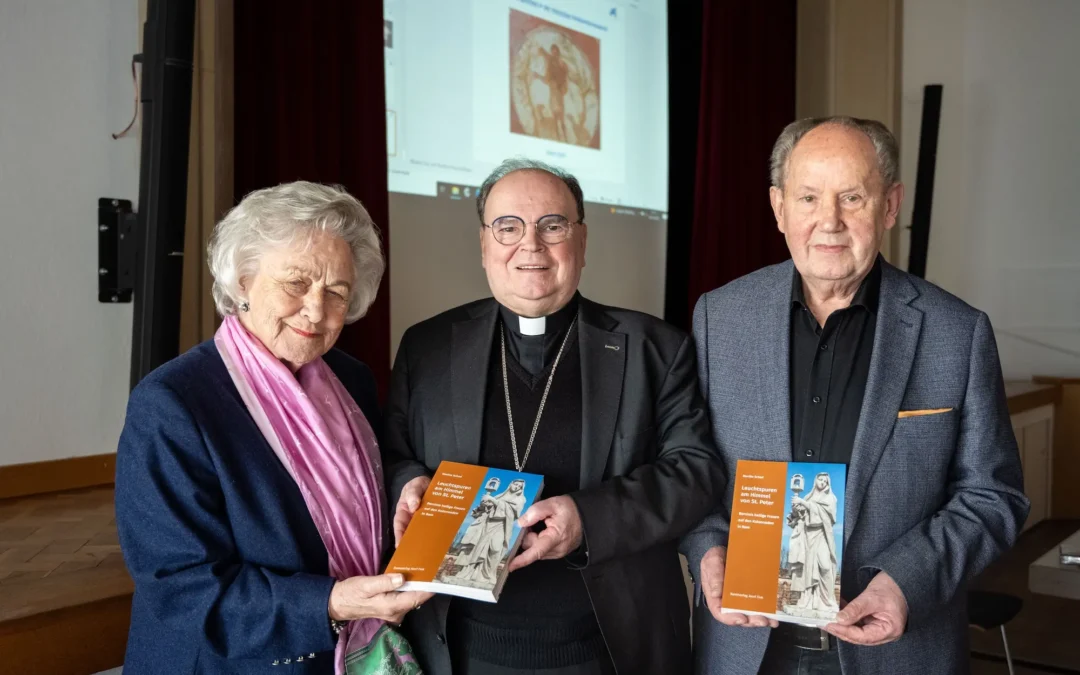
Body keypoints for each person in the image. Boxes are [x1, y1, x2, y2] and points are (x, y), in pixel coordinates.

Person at [682, 116, 1030, 674]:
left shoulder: (956, 332)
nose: (830, 221)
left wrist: (907, 582)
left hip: (895, 653)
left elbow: (993, 496)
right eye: (808, 197)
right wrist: (708, 549)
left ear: (889, 205)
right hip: (748, 652)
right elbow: (689, 469)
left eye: (852, 197)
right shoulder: (719, 318)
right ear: (778, 207)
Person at [385, 158, 724, 675]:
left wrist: (589, 519)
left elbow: (695, 470)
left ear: (581, 242)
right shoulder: (427, 346)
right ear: (483, 245)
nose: (531, 245)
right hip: (460, 650)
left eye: (553, 225)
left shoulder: (656, 348)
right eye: (508, 227)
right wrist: (408, 483)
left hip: (608, 651)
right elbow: (393, 453)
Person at [115, 182, 431, 674]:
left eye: (336, 292)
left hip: (347, 653)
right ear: (242, 280)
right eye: (296, 282)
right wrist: (332, 603)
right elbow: (181, 588)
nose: (316, 309)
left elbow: (361, 486)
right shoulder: (172, 404)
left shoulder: (351, 379)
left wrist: (407, 488)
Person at [450, 479, 528, 585]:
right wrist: (485, 504)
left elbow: (512, 513)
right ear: (511, 484)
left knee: (495, 549)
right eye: (516, 484)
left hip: (501, 526)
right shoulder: (500, 495)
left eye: (519, 486)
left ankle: (487, 575)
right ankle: (470, 573)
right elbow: (488, 510)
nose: (517, 487)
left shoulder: (520, 499)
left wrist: (493, 500)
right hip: (487, 525)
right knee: (478, 548)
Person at [785, 473, 839, 617]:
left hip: (822, 535)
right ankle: (807, 600)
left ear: (828, 483)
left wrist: (804, 503)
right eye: (820, 479)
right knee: (807, 570)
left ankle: (827, 601)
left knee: (825, 567)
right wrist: (796, 510)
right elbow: (801, 516)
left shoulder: (830, 498)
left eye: (825, 480)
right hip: (807, 537)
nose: (822, 482)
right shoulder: (808, 497)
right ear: (815, 480)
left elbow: (827, 517)